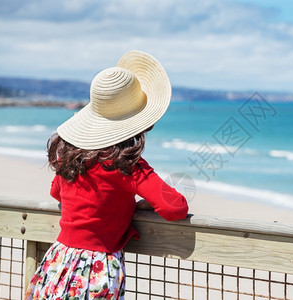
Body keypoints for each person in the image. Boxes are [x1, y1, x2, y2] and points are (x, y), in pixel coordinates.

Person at [25, 50, 189, 299]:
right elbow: (174, 207)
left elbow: (56, 192)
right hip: (97, 269)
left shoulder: (72, 157)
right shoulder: (127, 165)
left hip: (59, 259)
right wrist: (137, 205)